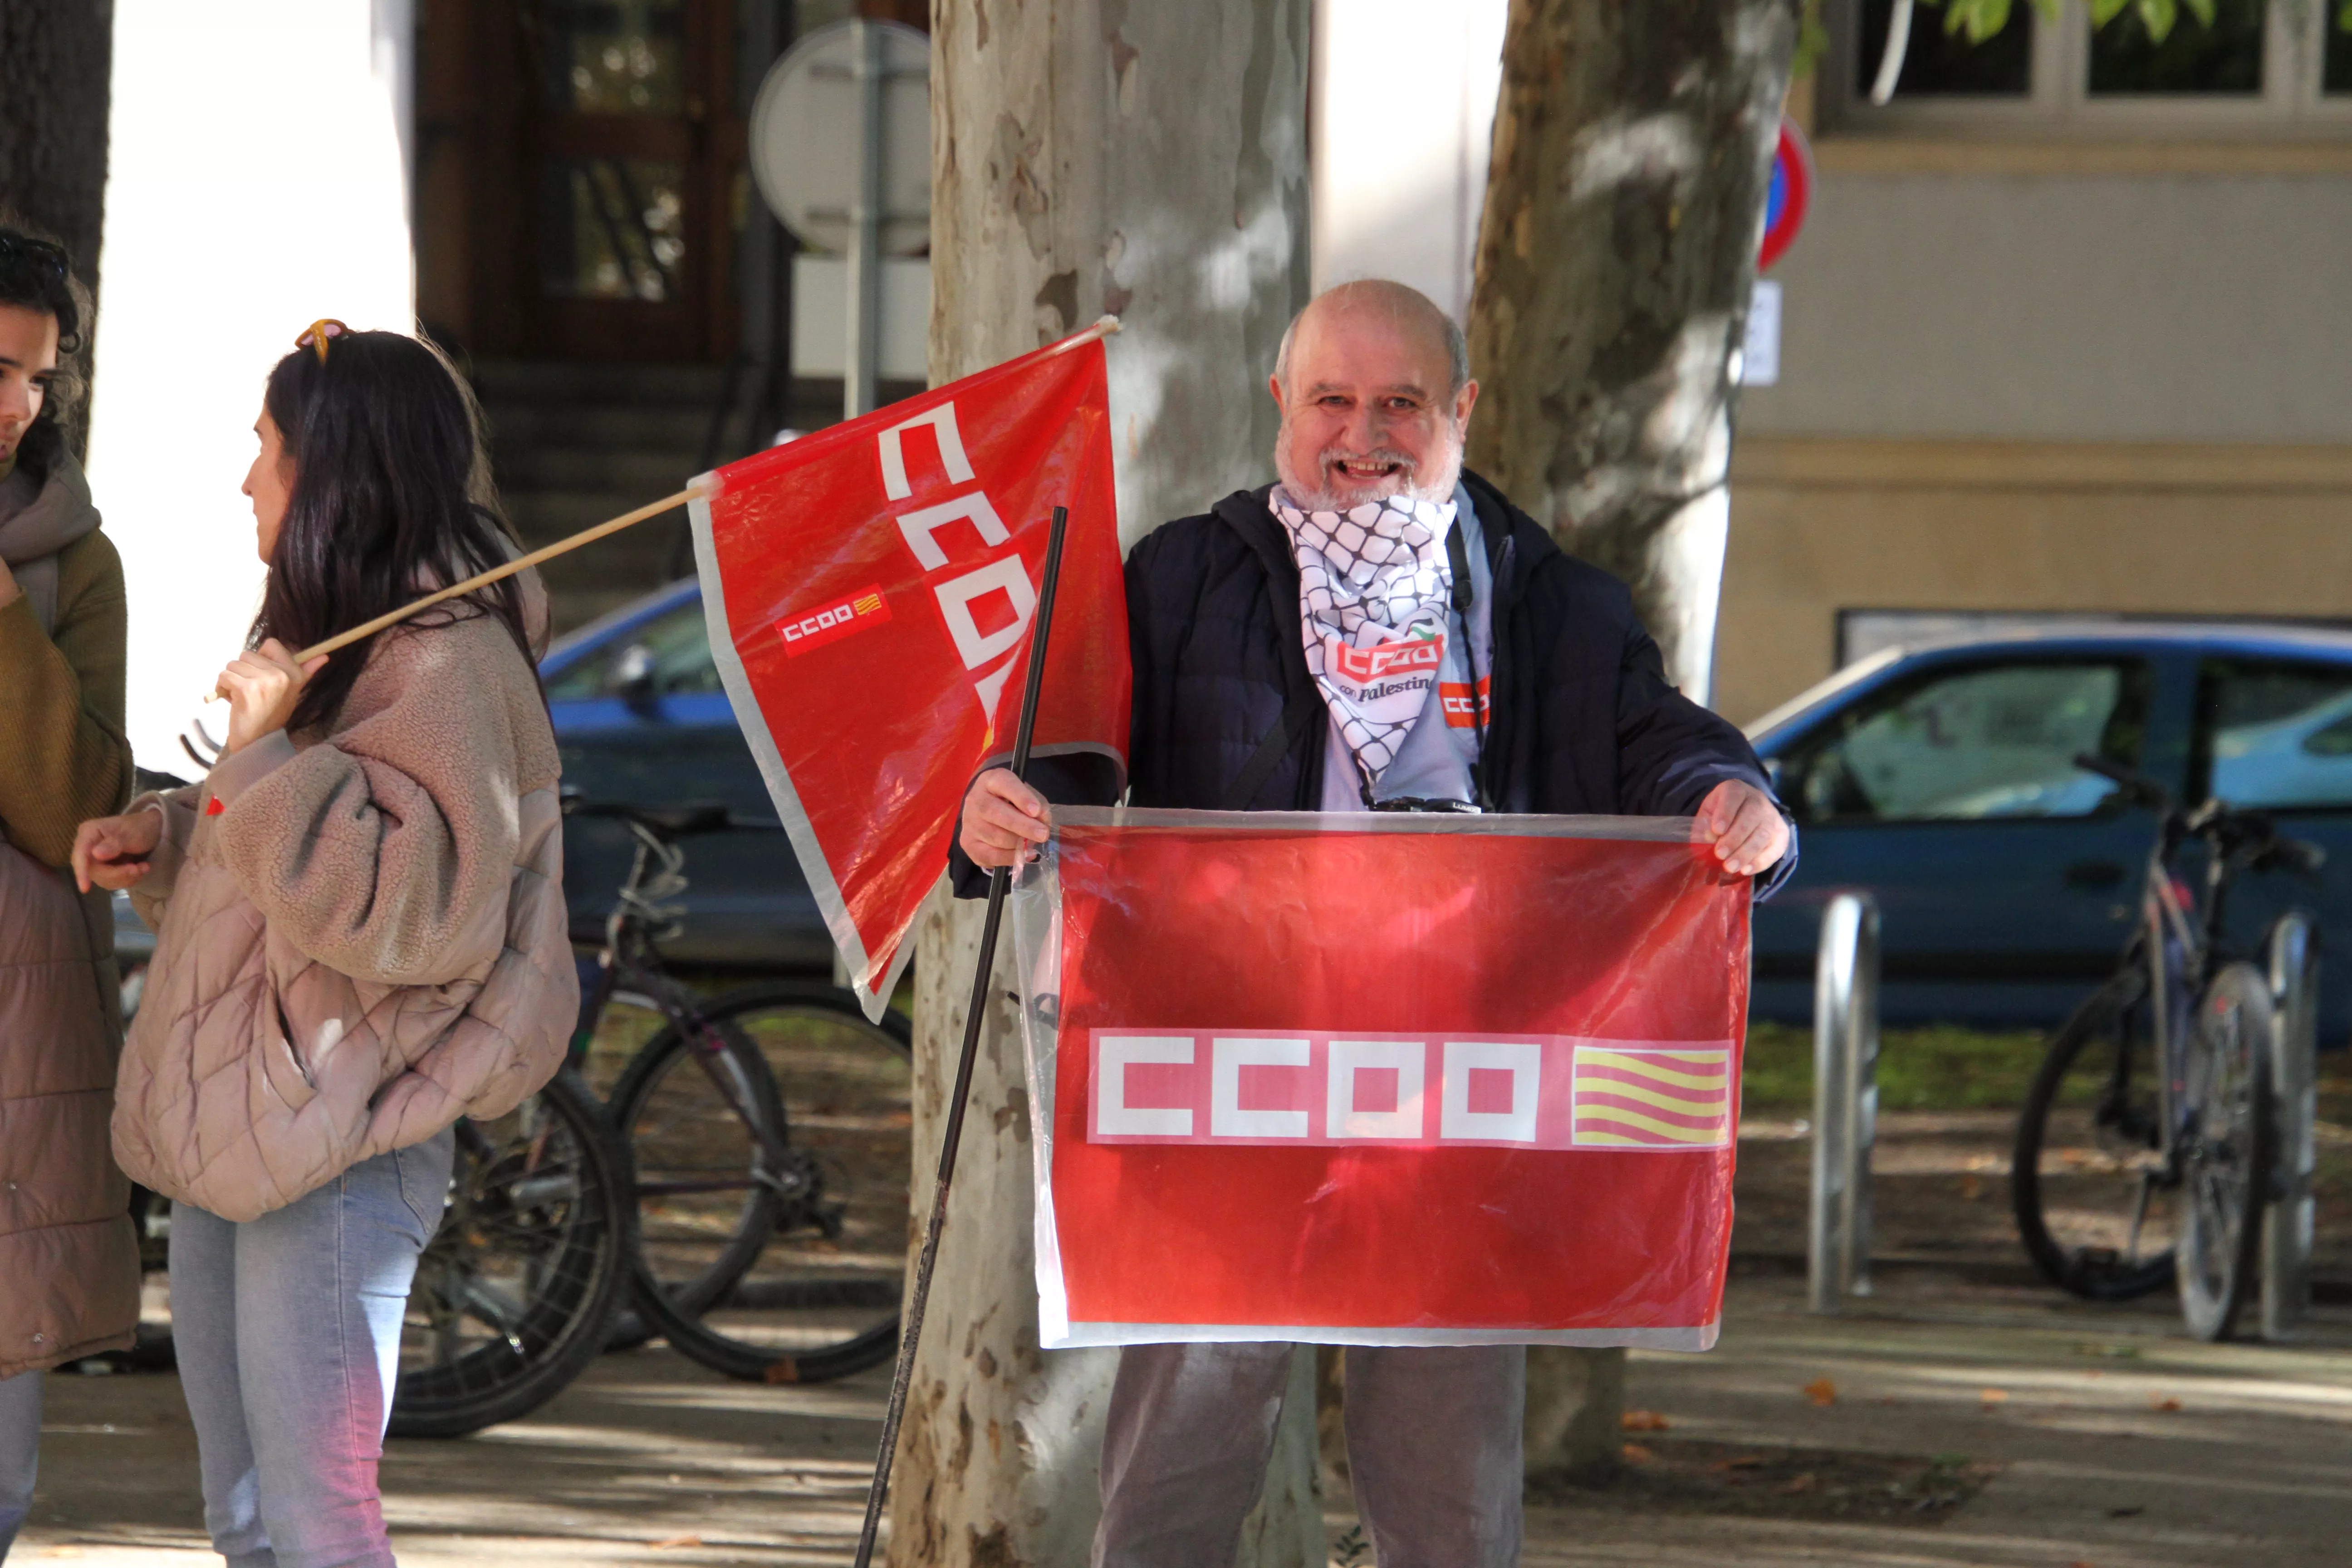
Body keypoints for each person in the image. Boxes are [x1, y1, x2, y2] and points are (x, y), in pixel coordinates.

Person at [954, 279, 1795, 1568]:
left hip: (1452, 1102)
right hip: (1232, 1090)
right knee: (1170, 1495)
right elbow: (1072, 744)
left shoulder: (1552, 601)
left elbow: (1659, 744)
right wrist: (1011, 805)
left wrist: (1737, 801)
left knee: (1448, 1509)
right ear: (1281, 403)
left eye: (1403, 401)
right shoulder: (1179, 578)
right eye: (1335, 398)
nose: (1368, 431)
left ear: (1460, 410)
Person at [71, 324, 577, 1568]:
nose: (249, 480)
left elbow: (420, 915)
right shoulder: (353, 642)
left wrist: (253, 757)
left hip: (338, 1143)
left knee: (315, 1517)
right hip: (238, 1126)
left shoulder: (451, 663)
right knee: (245, 1515)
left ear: (336, 472)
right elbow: (297, 843)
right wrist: (172, 831)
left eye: (268, 451)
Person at [0, 223, 137, 1562]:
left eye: (37, 378)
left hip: (14, 1062)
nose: (16, 405)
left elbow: (77, 808)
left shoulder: (72, 563)